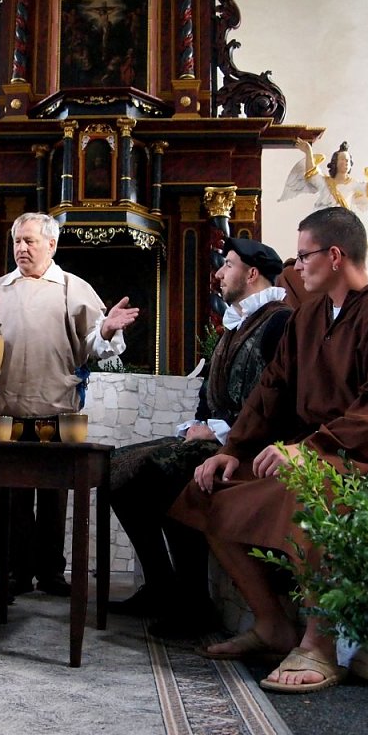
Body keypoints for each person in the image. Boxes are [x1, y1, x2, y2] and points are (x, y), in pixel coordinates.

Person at [171, 207, 368, 693]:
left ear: (335, 256)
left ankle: (321, 645)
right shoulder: (310, 315)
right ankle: (273, 624)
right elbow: (273, 388)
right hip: (321, 450)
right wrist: (234, 449)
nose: (295, 267)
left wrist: (311, 450)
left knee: (308, 494)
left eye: (302, 255)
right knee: (208, 490)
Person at [108, 238, 292, 637]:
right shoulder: (235, 324)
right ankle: (161, 585)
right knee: (114, 469)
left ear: (252, 273)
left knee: (167, 473)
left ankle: (194, 604)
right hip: (219, 439)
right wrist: (198, 426)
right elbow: (208, 394)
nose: (219, 273)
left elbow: (276, 399)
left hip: (252, 448)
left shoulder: (279, 323)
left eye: (228, 265)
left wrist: (218, 431)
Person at [0, 211, 139, 596]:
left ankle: (52, 573)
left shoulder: (72, 288)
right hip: (7, 410)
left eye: (30, 241)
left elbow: (96, 346)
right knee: (13, 496)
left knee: (55, 495)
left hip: (58, 409)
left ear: (51, 245)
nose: (21, 248)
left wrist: (106, 329)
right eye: (17, 241)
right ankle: (15, 573)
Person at [280, 139, 368, 214]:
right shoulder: (325, 182)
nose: (346, 162)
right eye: (342, 159)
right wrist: (309, 152)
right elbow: (311, 174)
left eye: (348, 160)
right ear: (335, 163)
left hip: (342, 220)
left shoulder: (353, 184)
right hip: (322, 219)